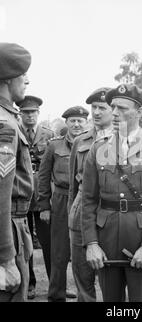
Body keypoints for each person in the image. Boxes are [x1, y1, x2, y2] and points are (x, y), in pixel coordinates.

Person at [81, 84, 142, 302]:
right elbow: (87, 200)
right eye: (113, 107)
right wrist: (92, 244)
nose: (114, 113)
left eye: (122, 108)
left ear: (140, 112)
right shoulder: (98, 148)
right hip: (106, 241)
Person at [38, 106, 88, 302]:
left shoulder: (94, 143)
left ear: (86, 122)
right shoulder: (54, 146)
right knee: (59, 251)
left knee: (85, 248)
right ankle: (56, 294)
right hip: (61, 199)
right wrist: (44, 206)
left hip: (85, 198)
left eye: (80, 121)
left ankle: (85, 292)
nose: (76, 124)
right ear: (66, 123)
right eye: (72, 121)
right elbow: (43, 177)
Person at [68, 87, 113, 301]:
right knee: (83, 278)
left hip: (111, 215)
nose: (96, 112)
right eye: (93, 107)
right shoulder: (81, 141)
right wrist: (71, 214)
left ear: (113, 110)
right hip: (81, 213)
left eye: (101, 108)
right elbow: (72, 185)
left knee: (112, 279)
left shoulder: (125, 141)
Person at [0, 42, 33, 302]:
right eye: (23, 76)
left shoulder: (9, 117)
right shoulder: (5, 123)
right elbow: (1, 194)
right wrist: (7, 257)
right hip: (7, 224)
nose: (26, 81)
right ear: (10, 79)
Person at [16, 95, 54, 299]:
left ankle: (55, 284)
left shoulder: (48, 135)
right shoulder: (13, 131)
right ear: (20, 113)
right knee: (23, 243)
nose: (30, 116)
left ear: (38, 114)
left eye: (33, 112)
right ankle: (29, 283)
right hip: (20, 195)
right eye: (26, 112)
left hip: (42, 196)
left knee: (49, 243)